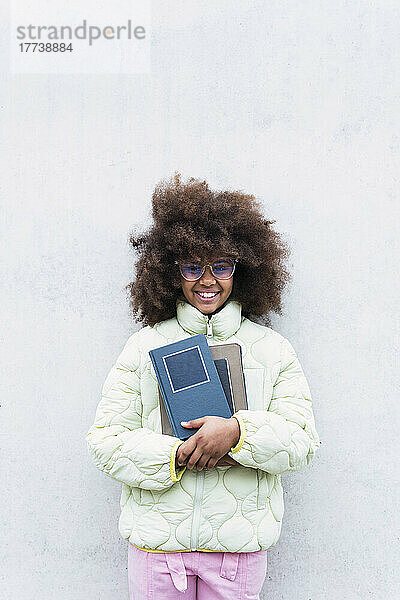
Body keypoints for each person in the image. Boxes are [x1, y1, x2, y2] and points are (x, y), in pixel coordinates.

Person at [85, 173, 321, 599]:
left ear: (244, 269)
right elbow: (105, 443)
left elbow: (302, 442)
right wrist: (176, 454)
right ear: (170, 270)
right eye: (193, 266)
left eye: (222, 265)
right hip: (157, 553)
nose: (208, 280)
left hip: (236, 557)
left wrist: (237, 433)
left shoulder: (273, 349)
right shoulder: (143, 347)